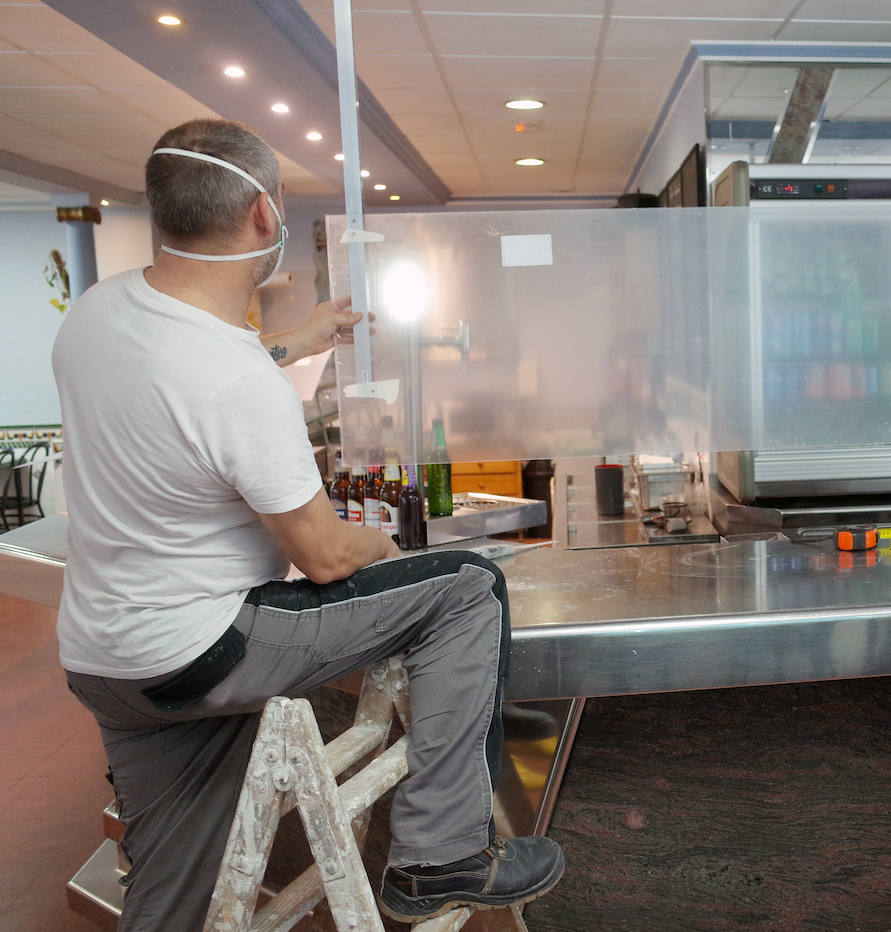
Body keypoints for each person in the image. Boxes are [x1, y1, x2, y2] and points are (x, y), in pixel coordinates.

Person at [52, 118, 564, 931]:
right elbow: (325, 555)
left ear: (163, 208)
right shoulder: (238, 385)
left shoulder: (97, 315)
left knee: (173, 892)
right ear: (265, 213)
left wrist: (300, 338)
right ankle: (440, 858)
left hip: (103, 657)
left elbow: (194, 372)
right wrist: (391, 555)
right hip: (203, 646)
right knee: (468, 587)